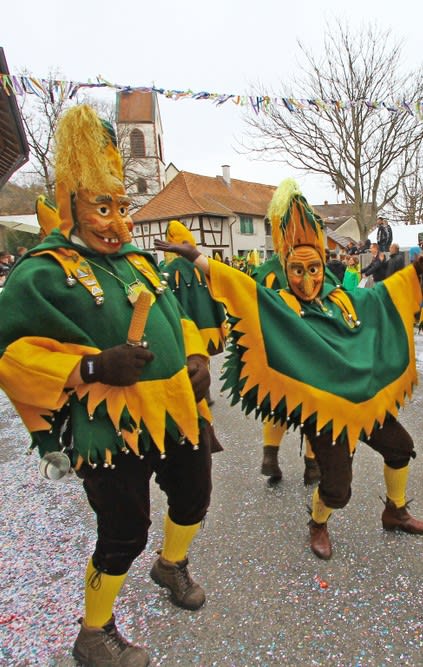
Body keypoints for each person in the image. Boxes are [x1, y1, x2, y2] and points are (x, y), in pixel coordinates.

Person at [0, 105, 216, 667]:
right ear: (72, 202)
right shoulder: (40, 273)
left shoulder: (139, 261)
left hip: (177, 412)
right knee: (123, 532)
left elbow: (180, 315)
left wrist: (193, 353)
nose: (118, 220)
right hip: (108, 426)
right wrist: (95, 369)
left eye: (121, 206)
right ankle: (93, 634)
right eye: (103, 207)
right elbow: (13, 357)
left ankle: (171, 566)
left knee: (193, 500)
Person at [155, 177, 423, 562]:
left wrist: (417, 273)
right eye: (297, 271)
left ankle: (394, 511)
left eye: (314, 269)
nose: (307, 279)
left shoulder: (341, 297)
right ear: (285, 267)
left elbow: (383, 296)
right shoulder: (279, 304)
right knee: (337, 491)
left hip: (363, 403)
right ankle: (318, 523)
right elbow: (241, 289)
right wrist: (197, 257)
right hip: (321, 408)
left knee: (402, 448)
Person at [250, 223, 320, 486]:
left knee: (276, 404)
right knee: (314, 408)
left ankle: (270, 455)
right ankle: (312, 465)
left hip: (275, 353)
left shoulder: (265, 272)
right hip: (310, 352)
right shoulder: (316, 265)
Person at [162, 219, 228, 409]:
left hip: (181, 327)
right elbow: (217, 296)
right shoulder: (203, 266)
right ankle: (203, 393)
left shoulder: (166, 272)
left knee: (186, 359)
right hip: (205, 325)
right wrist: (220, 321)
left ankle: (193, 393)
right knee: (202, 357)